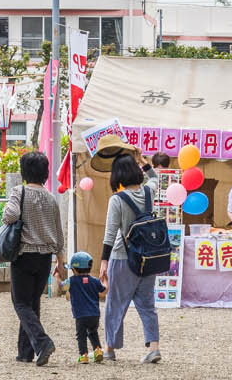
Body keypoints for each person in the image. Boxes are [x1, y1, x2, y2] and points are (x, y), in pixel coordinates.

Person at [100, 153, 163, 364]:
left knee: (115, 303)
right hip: (148, 257)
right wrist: (145, 163)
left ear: (117, 175)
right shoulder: (148, 192)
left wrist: (103, 261)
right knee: (147, 304)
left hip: (122, 257)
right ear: (136, 172)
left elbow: (110, 233)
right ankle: (153, 347)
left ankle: (109, 347)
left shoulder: (117, 200)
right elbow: (155, 179)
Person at [1, 150, 62, 366]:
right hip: (45, 257)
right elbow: (58, 233)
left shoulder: (20, 192)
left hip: (24, 254)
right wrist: (60, 263)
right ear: (45, 173)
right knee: (32, 302)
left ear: (24, 171)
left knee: (21, 303)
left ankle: (42, 342)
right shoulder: (51, 198)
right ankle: (25, 353)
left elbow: (9, 216)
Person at [61, 251, 106, 364]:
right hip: (95, 315)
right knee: (93, 332)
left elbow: (62, 286)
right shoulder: (95, 281)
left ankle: (84, 355)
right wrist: (106, 281)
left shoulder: (71, 281)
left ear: (75, 270)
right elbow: (103, 291)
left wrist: (57, 276)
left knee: (81, 335)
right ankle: (98, 350)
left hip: (80, 315)